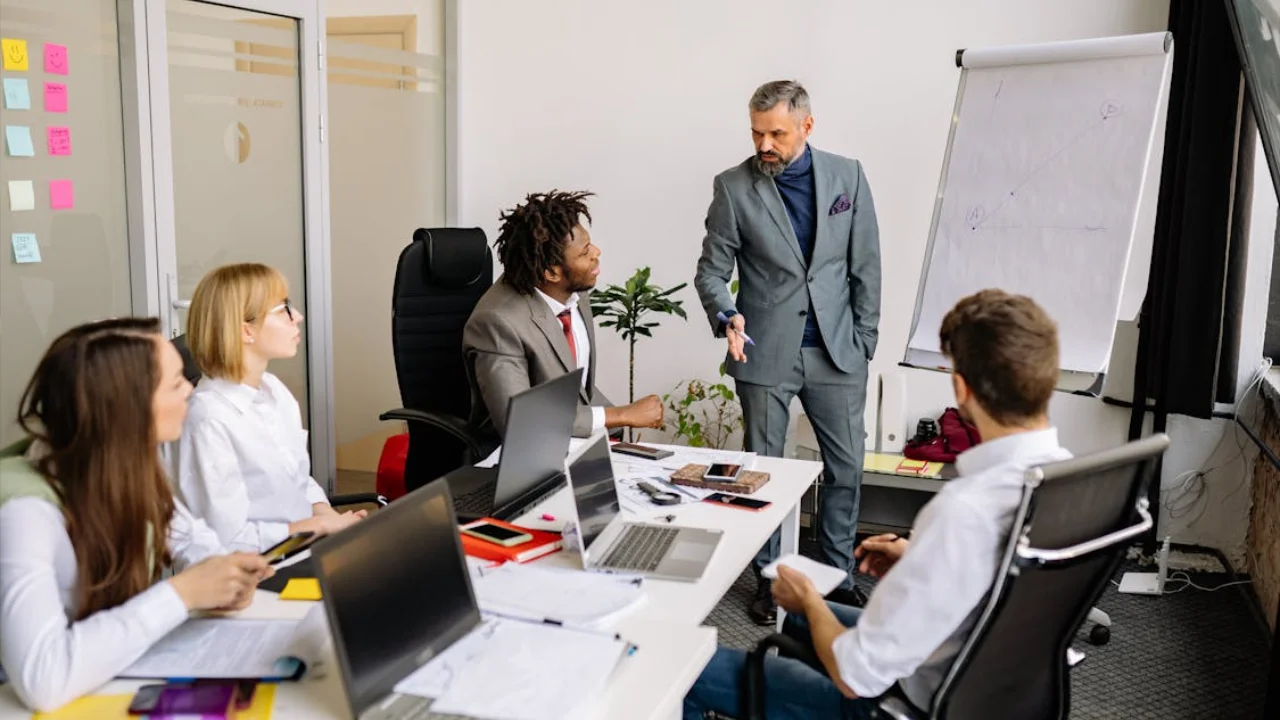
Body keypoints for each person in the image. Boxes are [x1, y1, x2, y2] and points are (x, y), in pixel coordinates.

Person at [682, 289, 1071, 719]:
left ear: (961, 388)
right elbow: (1016, 578)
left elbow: (854, 675)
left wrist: (809, 598)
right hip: (993, 683)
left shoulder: (964, 508)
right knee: (795, 624)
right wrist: (921, 558)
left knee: (686, 668)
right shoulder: (1071, 482)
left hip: (899, 702)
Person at [0, 318, 274, 712]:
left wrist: (223, 576)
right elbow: (44, 678)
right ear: (128, 407)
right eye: (177, 383)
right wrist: (183, 593)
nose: (191, 391)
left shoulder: (126, 465)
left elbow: (186, 535)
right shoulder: (25, 512)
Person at [694, 80, 881, 624]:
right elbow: (711, 270)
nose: (764, 145)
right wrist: (725, 315)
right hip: (764, 351)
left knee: (845, 469)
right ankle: (773, 581)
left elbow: (865, 265)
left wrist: (865, 341)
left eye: (776, 133)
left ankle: (837, 578)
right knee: (766, 475)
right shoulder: (733, 188)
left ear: (807, 126)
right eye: (757, 133)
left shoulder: (849, 177)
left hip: (837, 351)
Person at [176, 263, 363, 553]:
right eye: (284, 309)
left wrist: (328, 518)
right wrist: (315, 527)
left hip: (302, 548)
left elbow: (298, 482)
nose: (297, 317)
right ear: (246, 330)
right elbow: (228, 540)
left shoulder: (273, 389)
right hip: (252, 573)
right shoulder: (208, 419)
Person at [464, 190, 664, 438]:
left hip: (572, 446)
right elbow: (518, 421)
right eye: (585, 251)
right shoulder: (498, 322)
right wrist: (622, 415)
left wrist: (617, 430)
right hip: (517, 459)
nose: (596, 253)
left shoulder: (575, 292)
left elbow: (578, 390)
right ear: (551, 273)